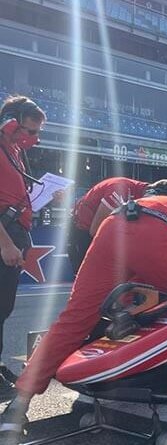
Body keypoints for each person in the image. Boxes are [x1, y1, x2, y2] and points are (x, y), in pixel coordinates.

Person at [0, 194, 167, 438]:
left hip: (112, 226)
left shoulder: (159, 202)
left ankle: (19, 403)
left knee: (73, 320)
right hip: (152, 231)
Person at [0, 96, 46, 397]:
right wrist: (5, 244)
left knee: (3, 307)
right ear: (11, 123)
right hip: (5, 233)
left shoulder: (13, 151)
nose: (34, 138)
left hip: (14, 230)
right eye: (30, 131)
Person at [68, 177, 167, 273]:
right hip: (83, 233)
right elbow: (96, 231)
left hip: (96, 233)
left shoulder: (141, 194)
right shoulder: (120, 190)